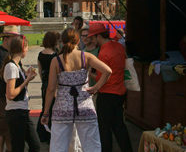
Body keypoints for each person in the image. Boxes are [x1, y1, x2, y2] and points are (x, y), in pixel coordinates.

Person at [41, 28, 112, 152]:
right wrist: (96, 87)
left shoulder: (56, 61)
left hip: (62, 108)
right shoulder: (86, 57)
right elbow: (108, 71)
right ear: (78, 41)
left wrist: (46, 112)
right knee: (92, 145)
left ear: (62, 42)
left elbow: (51, 89)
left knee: (58, 145)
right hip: (85, 106)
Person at [88, 23, 133, 152]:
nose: (92, 40)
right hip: (120, 91)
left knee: (104, 128)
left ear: (98, 36)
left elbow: (102, 78)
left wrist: (90, 73)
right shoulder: (119, 46)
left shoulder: (104, 52)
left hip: (107, 93)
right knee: (119, 126)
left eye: (92, 37)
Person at [1, 35, 40, 152]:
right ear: (22, 48)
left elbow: (19, 89)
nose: (27, 50)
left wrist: (26, 78)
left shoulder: (17, 65)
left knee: (33, 145)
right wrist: (26, 80)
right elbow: (11, 94)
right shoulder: (12, 67)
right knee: (20, 146)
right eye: (27, 47)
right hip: (16, 112)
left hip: (21, 110)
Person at [0, 26, 22, 152]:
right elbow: (3, 77)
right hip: (2, 95)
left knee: (8, 128)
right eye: (15, 39)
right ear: (7, 39)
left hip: (9, 95)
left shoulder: (10, 54)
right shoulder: (0, 54)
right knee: (1, 126)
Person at [36, 31, 58, 143]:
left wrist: (44, 81)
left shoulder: (40, 54)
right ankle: (51, 134)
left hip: (45, 84)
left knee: (45, 107)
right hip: (54, 85)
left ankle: (43, 133)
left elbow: (40, 71)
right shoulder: (56, 55)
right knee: (53, 109)